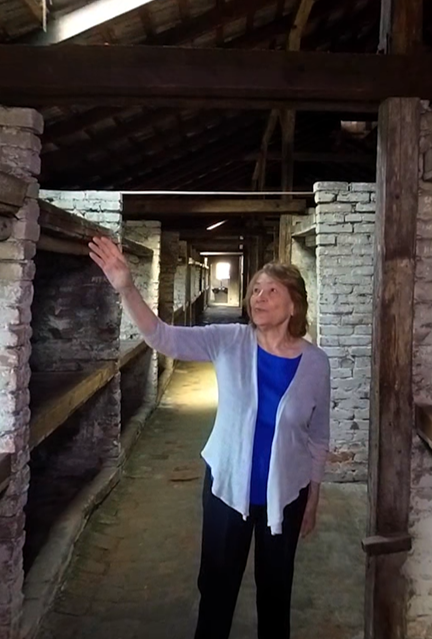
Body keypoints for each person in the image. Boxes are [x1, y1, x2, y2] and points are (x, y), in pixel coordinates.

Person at [88, 236, 332, 639]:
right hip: (226, 488)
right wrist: (126, 287)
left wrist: (314, 497)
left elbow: (318, 433)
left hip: (286, 495)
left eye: (272, 291)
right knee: (217, 591)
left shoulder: (316, 364)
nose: (259, 296)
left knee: (276, 596)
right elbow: (162, 337)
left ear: (294, 305)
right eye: (255, 288)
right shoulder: (229, 341)